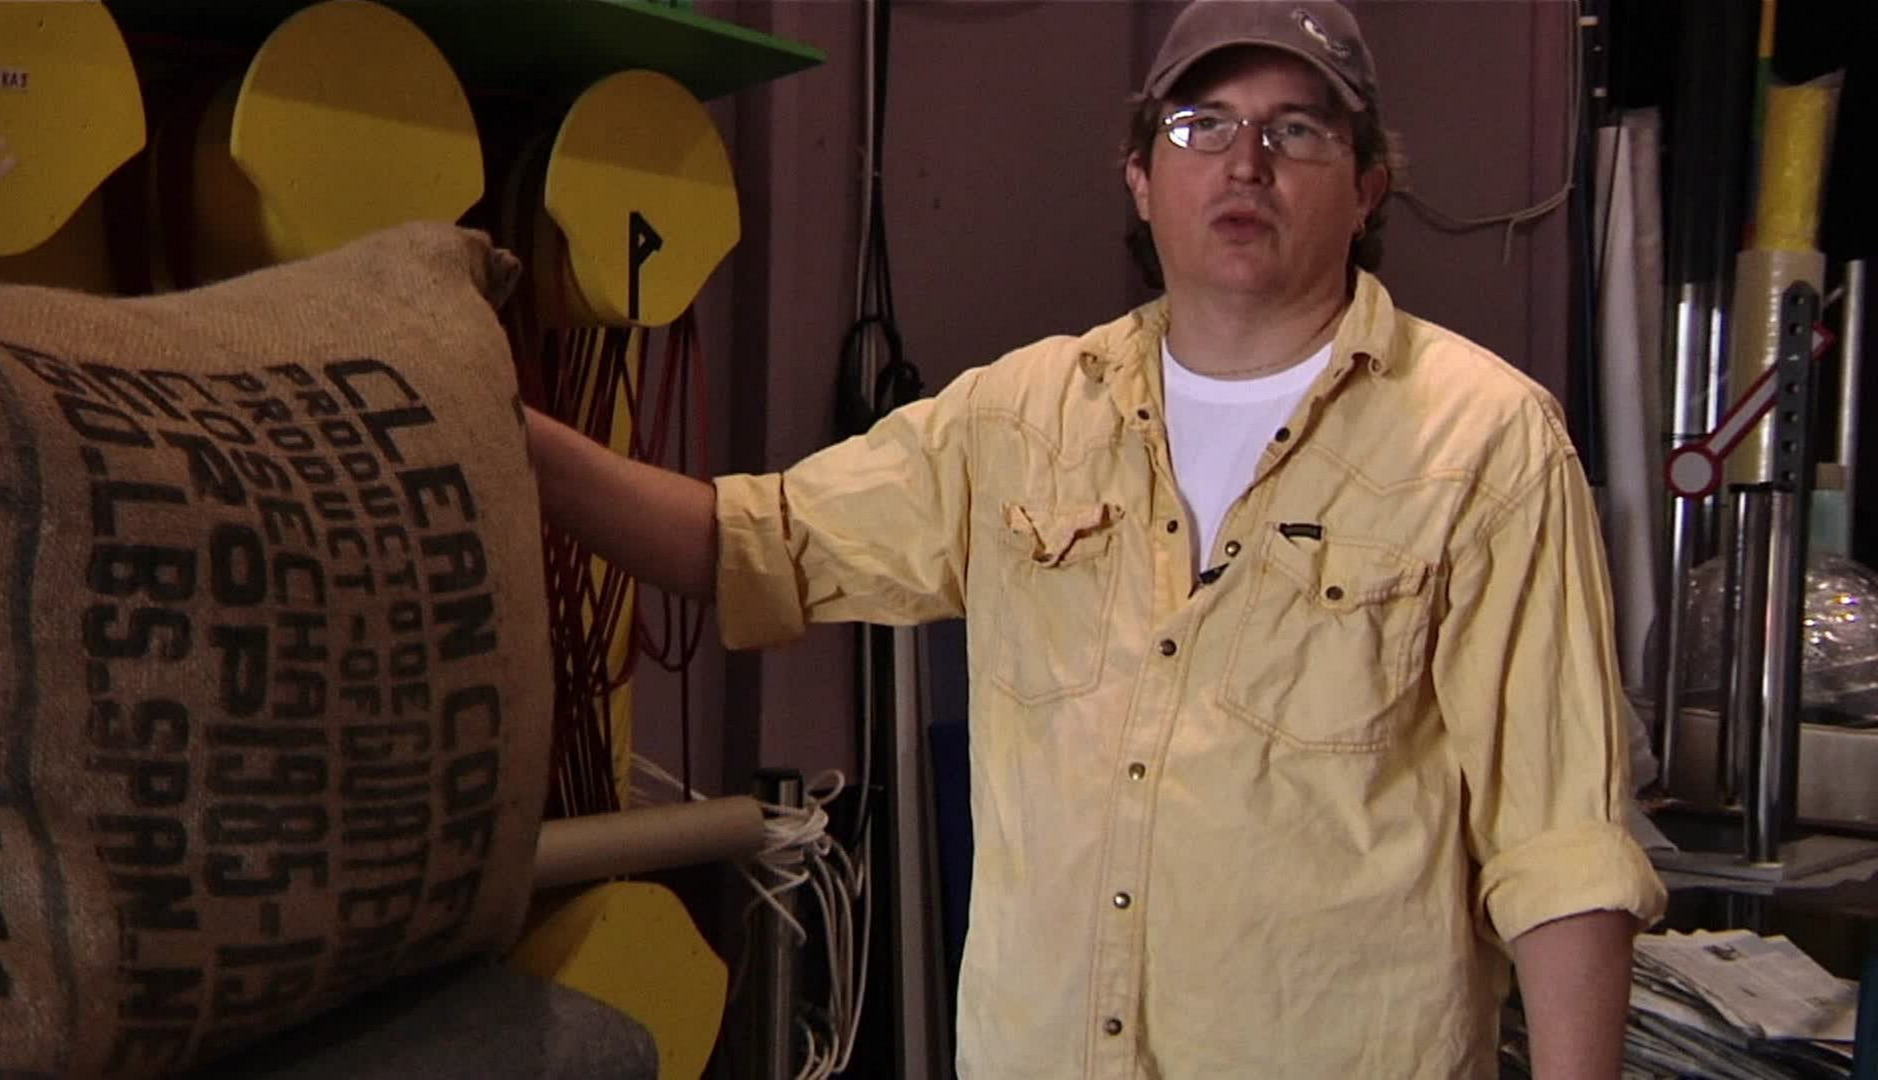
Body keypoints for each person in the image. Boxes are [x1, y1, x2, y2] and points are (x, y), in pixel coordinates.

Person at [524, 1, 1667, 1075]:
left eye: (1297, 130)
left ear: (1368, 187)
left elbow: (1561, 851)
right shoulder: (1021, 421)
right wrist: (509, 433)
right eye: (1201, 124)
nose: (1246, 161)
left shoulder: (1484, 445)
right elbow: (748, 544)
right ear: (1141, 177)